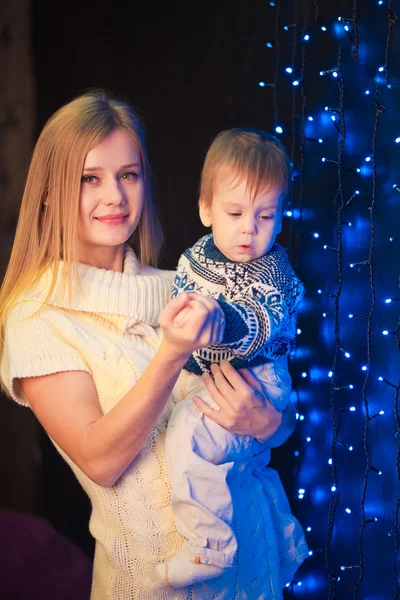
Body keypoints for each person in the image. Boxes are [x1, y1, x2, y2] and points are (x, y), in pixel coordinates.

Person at [0, 90, 298, 600]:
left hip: (258, 576)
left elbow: (271, 412)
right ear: (50, 190)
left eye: (128, 175)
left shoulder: (183, 285)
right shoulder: (38, 318)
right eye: (89, 178)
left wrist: (270, 423)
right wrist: (172, 352)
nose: (114, 195)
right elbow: (101, 461)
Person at [155, 129, 309, 590]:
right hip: (217, 373)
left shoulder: (274, 272)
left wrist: (218, 318)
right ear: (206, 209)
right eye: (236, 213)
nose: (250, 229)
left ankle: (210, 545)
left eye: (266, 215)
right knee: (241, 464)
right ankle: (284, 537)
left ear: (280, 219)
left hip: (259, 379)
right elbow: (183, 293)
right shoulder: (195, 256)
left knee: (188, 439)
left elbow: (261, 319)